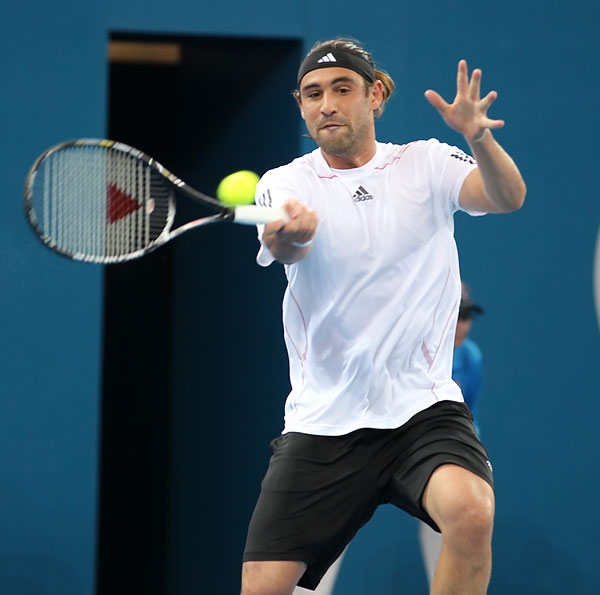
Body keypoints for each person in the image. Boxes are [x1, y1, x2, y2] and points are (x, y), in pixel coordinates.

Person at [242, 37, 526, 595]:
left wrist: (478, 138)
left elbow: (507, 196)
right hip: (325, 421)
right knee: (262, 588)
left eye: (342, 89)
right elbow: (284, 245)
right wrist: (290, 234)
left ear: (375, 95)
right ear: (300, 105)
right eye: (313, 94)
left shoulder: (425, 162)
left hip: (422, 408)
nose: (327, 105)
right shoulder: (284, 183)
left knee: (471, 511)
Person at [419, 281, 485, 588]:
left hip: (441, 453)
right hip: (396, 447)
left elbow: (469, 415)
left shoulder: (472, 358)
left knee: (451, 522)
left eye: (467, 317)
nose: (463, 326)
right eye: (457, 316)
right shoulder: (415, 352)